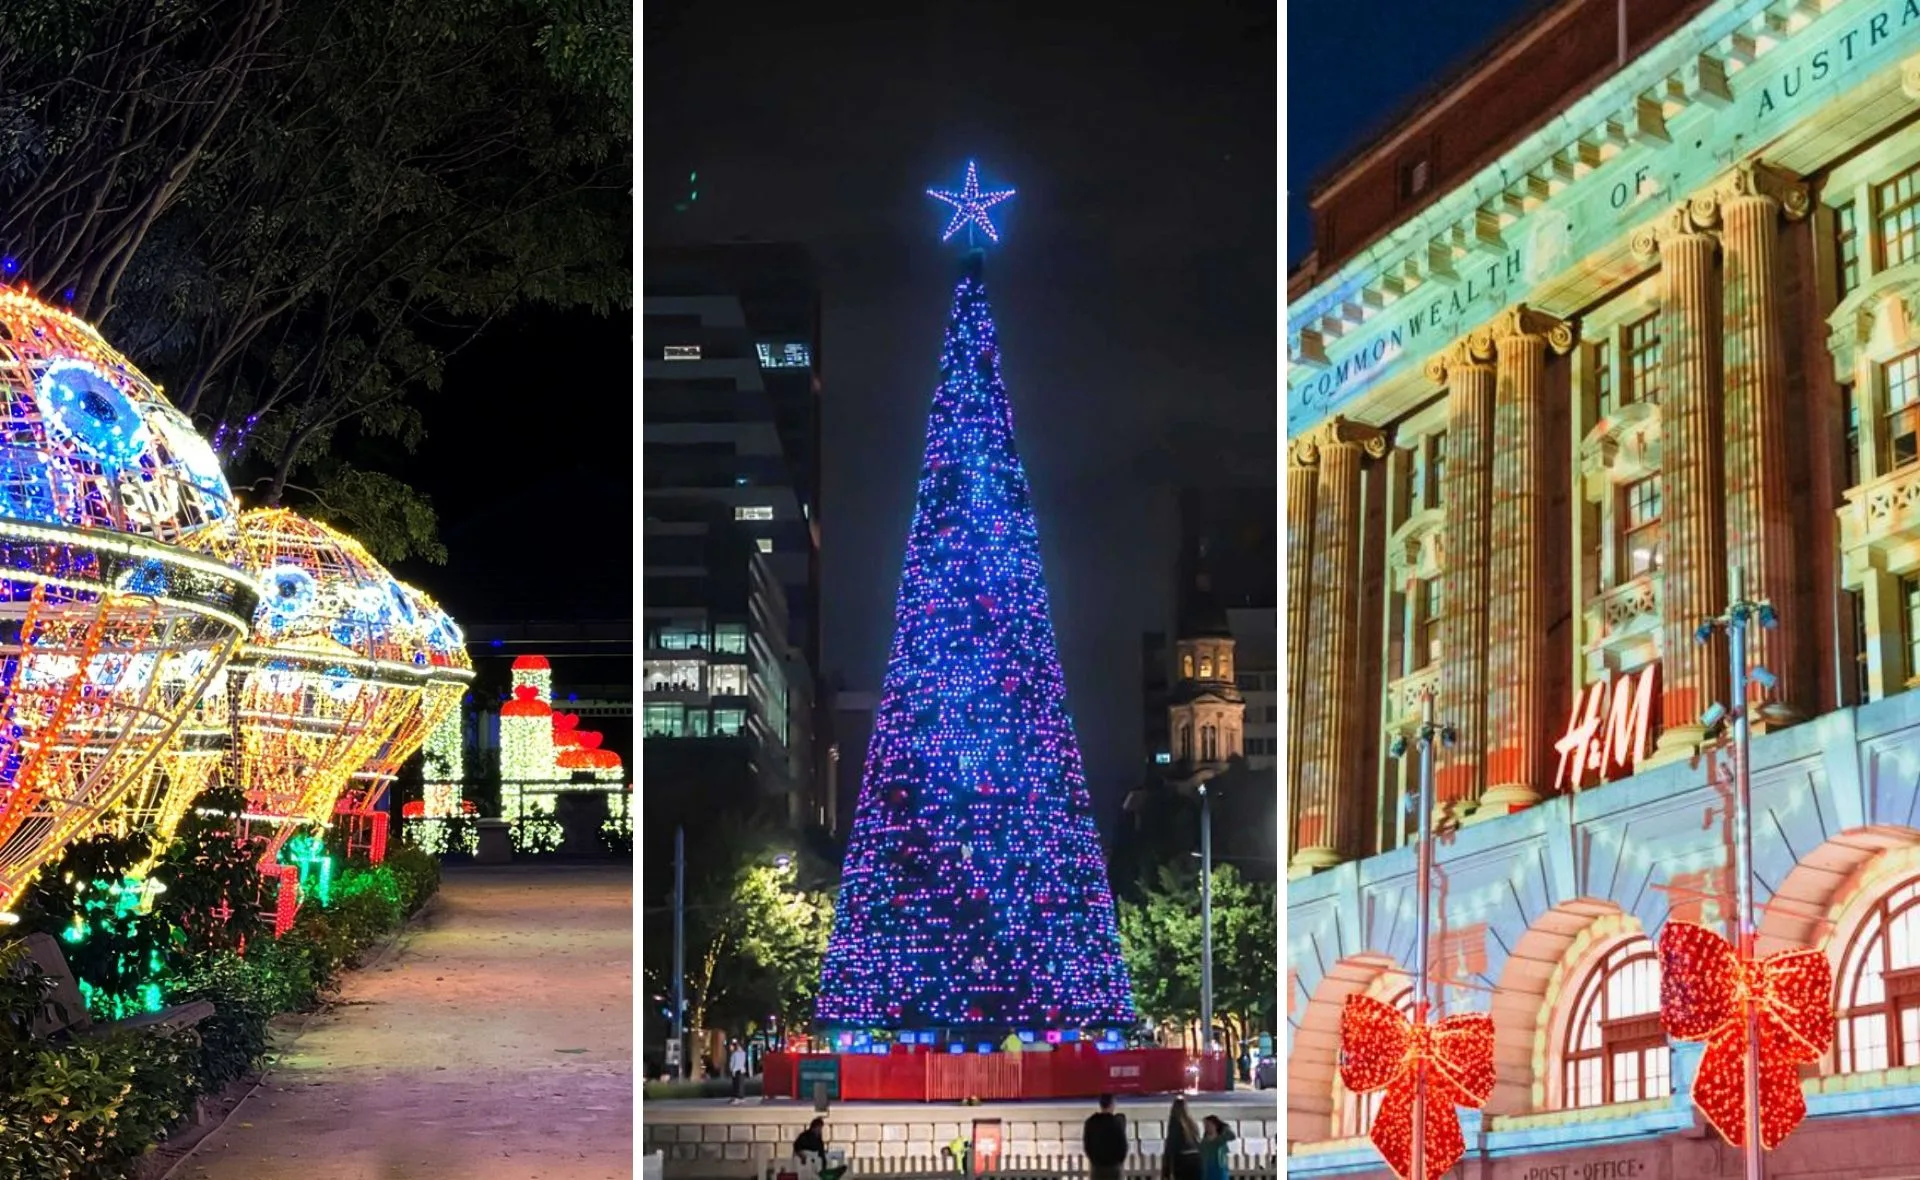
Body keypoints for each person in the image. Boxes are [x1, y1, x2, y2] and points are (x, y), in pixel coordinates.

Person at [1082, 1093, 1129, 1180]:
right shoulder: (1116, 1123)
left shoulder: (1091, 1122)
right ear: (1112, 1104)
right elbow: (1123, 1145)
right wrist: (1119, 1161)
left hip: (1097, 1166)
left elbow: (1087, 1144)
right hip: (1113, 1167)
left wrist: (1094, 1160)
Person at [1161, 1097, 1201, 1180]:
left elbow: (1171, 1145)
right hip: (1196, 1160)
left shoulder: (1176, 1123)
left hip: (1183, 1161)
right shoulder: (1192, 1124)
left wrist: (1166, 1169)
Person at [1199, 1116, 1235, 1180]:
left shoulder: (1221, 1139)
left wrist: (1224, 1127)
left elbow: (1232, 1136)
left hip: (1220, 1170)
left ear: (1215, 1125)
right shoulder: (1204, 1142)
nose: (1206, 1127)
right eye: (1205, 1125)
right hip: (1207, 1170)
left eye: (1208, 1125)